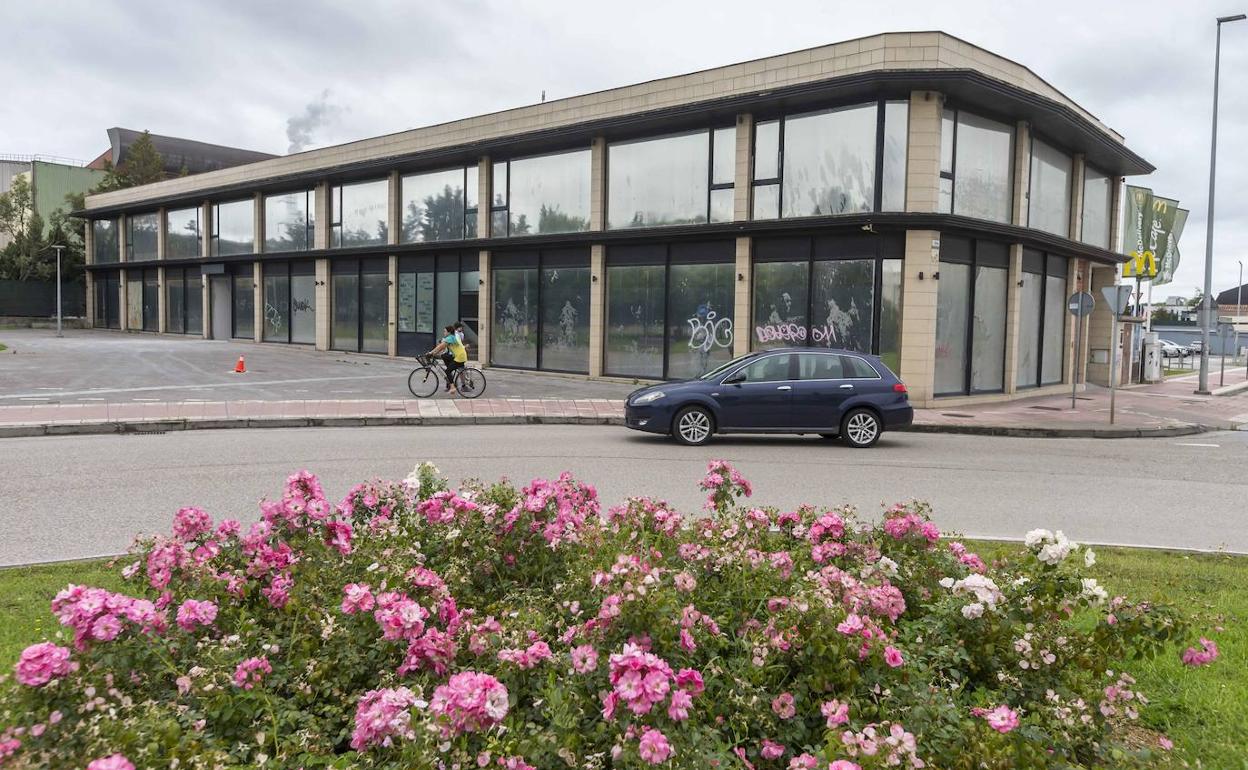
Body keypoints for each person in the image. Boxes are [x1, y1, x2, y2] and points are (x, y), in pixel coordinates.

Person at [428, 325, 468, 394]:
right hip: (459, 356)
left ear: (449, 332)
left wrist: (431, 353)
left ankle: (452, 387)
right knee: (444, 356)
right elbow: (441, 347)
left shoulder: (450, 337)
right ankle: (450, 380)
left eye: (445, 331)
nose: (444, 333)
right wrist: (433, 353)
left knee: (447, 371)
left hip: (459, 357)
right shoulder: (451, 337)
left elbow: (441, 346)